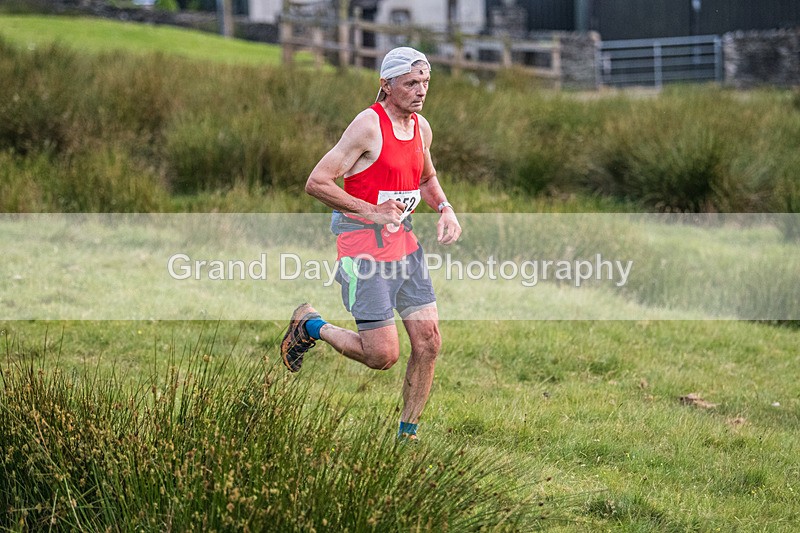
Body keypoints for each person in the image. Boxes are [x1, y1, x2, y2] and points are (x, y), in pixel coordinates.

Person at [280, 46, 461, 442]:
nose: (420, 90)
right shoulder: (368, 125)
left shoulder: (421, 128)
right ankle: (310, 325)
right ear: (386, 84)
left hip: (405, 247)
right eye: (411, 83)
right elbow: (317, 182)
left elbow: (426, 179)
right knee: (382, 355)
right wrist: (372, 211)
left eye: (425, 82)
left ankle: (407, 435)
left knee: (429, 343)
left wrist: (445, 208)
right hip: (362, 251)